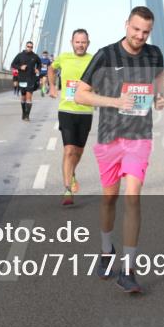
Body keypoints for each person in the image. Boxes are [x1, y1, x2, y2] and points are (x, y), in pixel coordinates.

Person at [75, 6, 164, 295]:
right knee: (109, 199)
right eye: (136, 29)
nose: (140, 36)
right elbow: (80, 93)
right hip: (109, 136)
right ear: (126, 24)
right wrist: (115, 102)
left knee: (132, 197)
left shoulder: (154, 54)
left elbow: (160, 77)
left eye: (146, 32)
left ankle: (128, 270)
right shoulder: (105, 55)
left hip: (140, 136)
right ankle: (106, 250)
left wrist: (159, 96)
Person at [48, 30, 93, 206]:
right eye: (77, 42)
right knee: (68, 150)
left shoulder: (93, 59)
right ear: (71, 42)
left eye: (83, 42)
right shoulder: (64, 57)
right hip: (66, 110)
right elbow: (52, 68)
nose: (80, 45)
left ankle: (72, 172)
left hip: (85, 112)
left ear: (88, 43)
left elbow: (104, 77)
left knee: (78, 151)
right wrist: (52, 86)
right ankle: (67, 189)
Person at [10, 41, 42, 121]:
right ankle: (24, 112)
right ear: (25, 46)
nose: (29, 48)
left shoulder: (35, 56)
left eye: (31, 47)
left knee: (29, 97)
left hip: (31, 79)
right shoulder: (20, 55)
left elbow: (39, 64)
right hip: (22, 79)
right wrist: (20, 67)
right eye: (28, 46)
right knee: (23, 97)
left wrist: (38, 69)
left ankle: (27, 116)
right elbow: (13, 64)